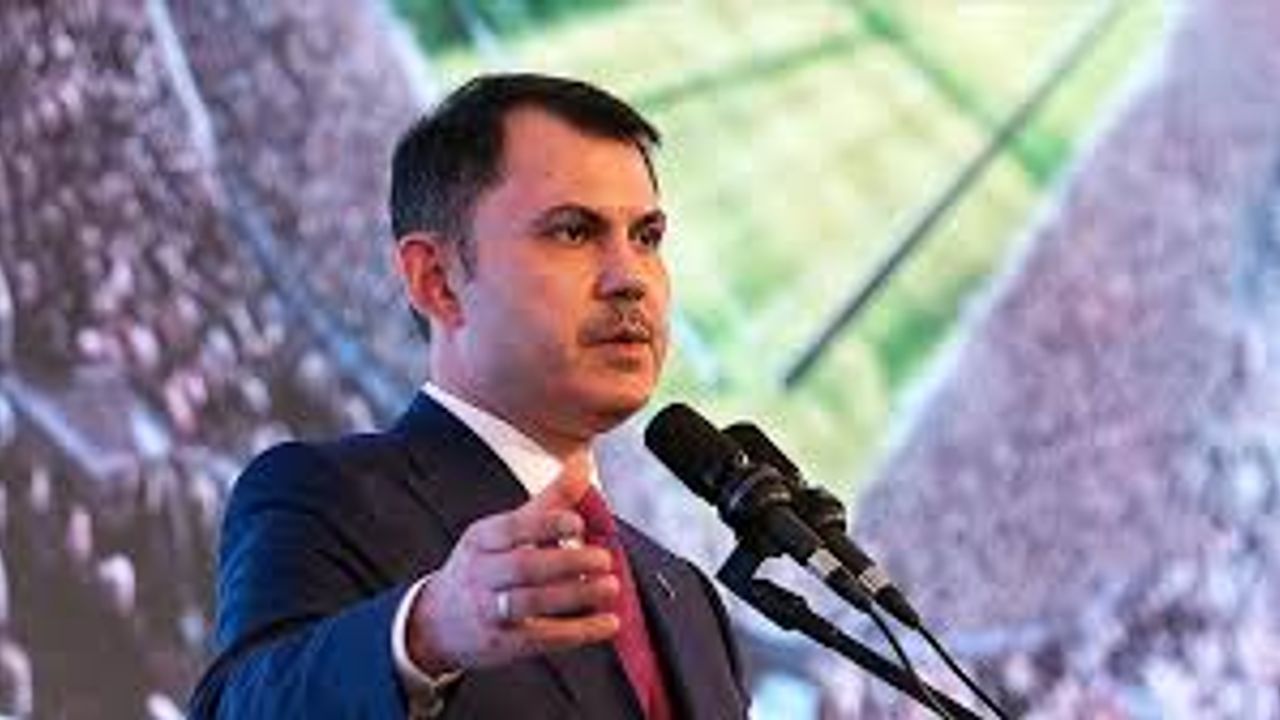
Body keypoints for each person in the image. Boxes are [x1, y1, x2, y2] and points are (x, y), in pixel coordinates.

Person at [190, 73, 749, 719]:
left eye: (646, 237)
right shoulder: (327, 499)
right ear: (437, 280)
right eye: (573, 231)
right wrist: (428, 632)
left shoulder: (686, 597)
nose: (631, 279)